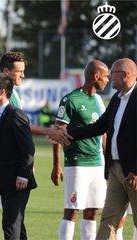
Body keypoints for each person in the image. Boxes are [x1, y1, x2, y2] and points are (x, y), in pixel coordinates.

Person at [0, 51, 72, 240]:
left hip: (9, 165)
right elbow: (21, 125)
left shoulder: (9, 96)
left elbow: (20, 129)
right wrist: (49, 131)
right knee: (3, 216)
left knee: (10, 219)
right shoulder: (4, 97)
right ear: (6, 71)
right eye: (19, 71)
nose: (23, 75)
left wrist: (25, 168)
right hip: (0, 162)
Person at [67, 58, 137, 239]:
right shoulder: (117, 98)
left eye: (112, 73)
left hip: (133, 172)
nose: (109, 78)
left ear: (125, 75)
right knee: (108, 219)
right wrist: (67, 134)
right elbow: (99, 126)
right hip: (115, 170)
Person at [51, 60, 109, 240]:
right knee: (72, 210)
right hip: (77, 164)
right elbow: (57, 133)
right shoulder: (71, 100)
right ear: (95, 75)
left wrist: (108, 160)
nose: (107, 80)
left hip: (98, 164)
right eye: (105, 76)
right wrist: (57, 165)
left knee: (92, 211)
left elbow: (103, 133)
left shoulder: (99, 100)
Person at [0, 73, 36, 240]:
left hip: (17, 182)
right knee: (16, 225)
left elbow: (28, 148)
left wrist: (23, 175)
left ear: (2, 91)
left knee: (10, 225)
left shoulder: (14, 114)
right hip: (5, 182)